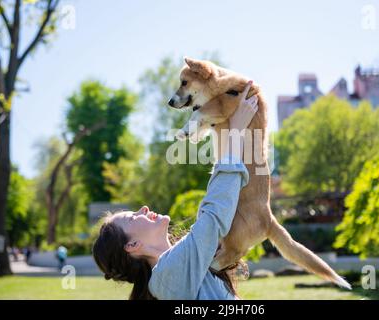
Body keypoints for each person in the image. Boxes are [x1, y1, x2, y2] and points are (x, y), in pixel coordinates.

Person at [92, 81, 258, 300]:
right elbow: (212, 219)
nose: (142, 209)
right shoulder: (165, 278)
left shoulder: (177, 267)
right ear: (133, 245)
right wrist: (236, 132)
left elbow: (208, 221)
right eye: (132, 218)